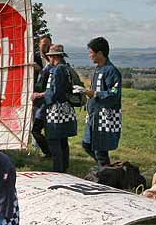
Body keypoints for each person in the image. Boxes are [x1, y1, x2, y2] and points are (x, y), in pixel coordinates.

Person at [32, 44, 81, 173]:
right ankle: (64, 168)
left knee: (54, 140)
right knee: (63, 140)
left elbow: (55, 92)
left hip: (56, 110)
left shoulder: (57, 70)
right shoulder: (65, 68)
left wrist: (40, 95)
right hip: (65, 109)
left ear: (53, 57)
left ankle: (57, 171)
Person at [81, 36, 122, 167]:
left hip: (104, 116)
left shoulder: (111, 71)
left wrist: (95, 94)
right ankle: (104, 168)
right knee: (87, 144)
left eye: (91, 52)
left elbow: (114, 94)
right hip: (94, 115)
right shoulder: (98, 69)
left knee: (100, 149)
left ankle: (105, 173)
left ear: (100, 53)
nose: (90, 55)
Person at [31, 36, 53, 156]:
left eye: (48, 45)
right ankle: (37, 149)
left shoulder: (52, 58)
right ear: (39, 45)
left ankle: (48, 149)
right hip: (36, 95)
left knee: (46, 124)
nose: (46, 48)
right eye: (44, 45)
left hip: (48, 96)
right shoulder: (33, 57)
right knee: (36, 123)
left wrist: (40, 70)